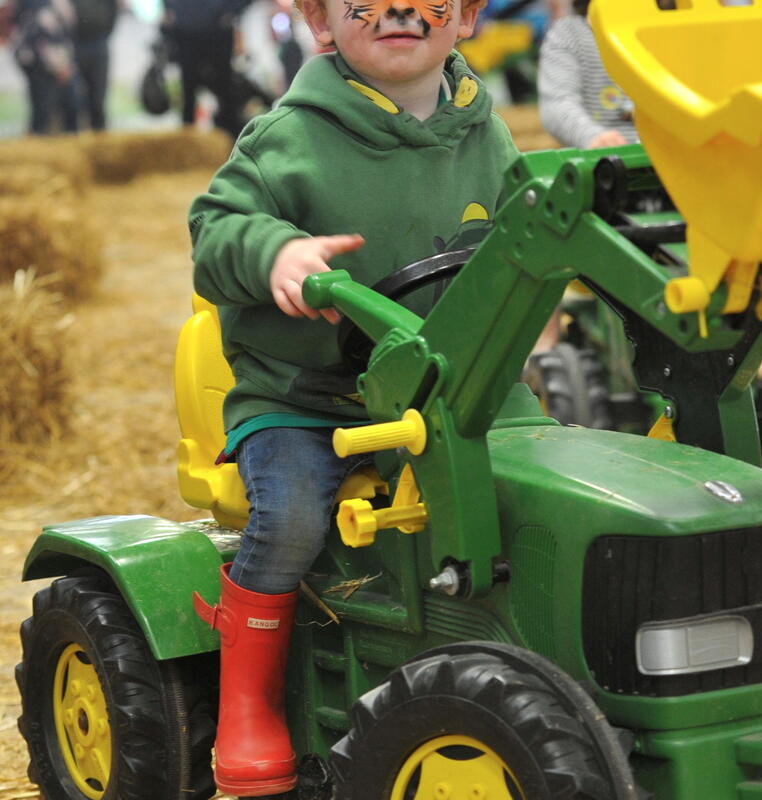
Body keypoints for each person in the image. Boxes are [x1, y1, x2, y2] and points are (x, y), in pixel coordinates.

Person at [186, 0, 517, 794]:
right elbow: (213, 229)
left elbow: (518, 237)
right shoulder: (287, 138)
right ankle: (250, 704)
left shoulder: (486, 133)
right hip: (308, 395)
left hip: (445, 386)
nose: (401, 7)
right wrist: (276, 253)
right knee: (296, 511)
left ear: (466, 16)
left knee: (542, 480)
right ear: (321, 21)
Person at [537, 0, 636, 148]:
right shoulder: (570, 34)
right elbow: (557, 102)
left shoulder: (664, 29)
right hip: (612, 156)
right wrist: (593, 136)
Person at [161, 0, 251, 137]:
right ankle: (188, 142)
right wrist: (169, 9)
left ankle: (233, 141)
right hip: (186, 33)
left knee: (226, 93)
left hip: (218, 32)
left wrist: (232, 11)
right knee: (189, 93)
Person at [8, 0, 78, 134]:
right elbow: (40, 35)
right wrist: (60, 66)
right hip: (41, 63)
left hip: (54, 60)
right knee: (43, 112)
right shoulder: (37, 4)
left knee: (63, 108)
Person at [69, 0, 118, 130]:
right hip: (75, 45)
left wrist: (103, 33)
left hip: (98, 43)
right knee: (73, 100)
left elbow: (113, 12)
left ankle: (99, 137)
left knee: (98, 99)